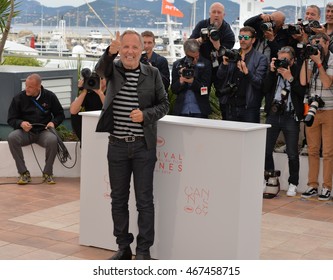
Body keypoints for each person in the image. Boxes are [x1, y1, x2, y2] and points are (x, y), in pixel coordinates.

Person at [95, 30, 169, 260]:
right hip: (116, 145)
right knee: (118, 199)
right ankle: (124, 247)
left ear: (142, 49)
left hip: (143, 147)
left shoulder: (153, 73)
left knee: (144, 201)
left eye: (134, 47)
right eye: (125, 47)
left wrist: (145, 115)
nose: (129, 51)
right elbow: (99, 71)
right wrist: (109, 52)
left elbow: (165, 104)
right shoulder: (113, 68)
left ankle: (144, 250)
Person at [263, 46, 306, 197]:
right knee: (266, 151)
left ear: (293, 61)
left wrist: (290, 78)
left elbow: (302, 92)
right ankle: (271, 179)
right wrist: (271, 71)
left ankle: (293, 183)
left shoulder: (298, 70)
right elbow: (264, 88)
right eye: (280, 59)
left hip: (290, 115)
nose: (282, 63)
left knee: (292, 153)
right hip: (273, 115)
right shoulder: (274, 72)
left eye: (285, 60)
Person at [7, 73, 65, 185]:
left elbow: (60, 114)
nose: (26, 89)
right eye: (26, 85)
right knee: (12, 138)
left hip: (43, 132)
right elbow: (11, 119)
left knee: (53, 140)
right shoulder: (19, 98)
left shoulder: (50, 96)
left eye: (30, 87)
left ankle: (47, 173)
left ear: (39, 87)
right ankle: (23, 173)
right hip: (25, 132)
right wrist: (21, 123)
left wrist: (53, 122)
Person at [300, 33, 333, 201]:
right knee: (312, 150)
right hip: (312, 107)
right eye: (314, 43)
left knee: (327, 152)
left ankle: (327, 187)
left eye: (319, 43)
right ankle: (312, 185)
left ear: (327, 43)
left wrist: (319, 63)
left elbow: (327, 83)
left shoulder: (332, 60)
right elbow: (303, 81)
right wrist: (306, 59)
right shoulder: (311, 59)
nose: (317, 46)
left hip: (329, 110)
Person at [216, 26, 268, 123]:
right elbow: (220, 76)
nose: (242, 40)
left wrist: (247, 72)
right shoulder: (232, 54)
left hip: (249, 107)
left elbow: (259, 83)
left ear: (253, 40)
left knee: (250, 137)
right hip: (230, 105)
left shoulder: (260, 58)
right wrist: (224, 65)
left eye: (246, 38)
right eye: (240, 37)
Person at [189, 2, 235, 97]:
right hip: (202, 65)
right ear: (210, 14)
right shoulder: (202, 25)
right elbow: (189, 44)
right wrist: (201, 39)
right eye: (214, 12)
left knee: (222, 95)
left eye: (219, 12)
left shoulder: (228, 32)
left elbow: (227, 53)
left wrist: (217, 45)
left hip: (219, 67)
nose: (216, 15)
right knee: (201, 94)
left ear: (224, 15)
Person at [171, 39, 212, 118]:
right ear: (186, 53)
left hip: (200, 110)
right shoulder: (177, 65)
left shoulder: (206, 64)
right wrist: (181, 80)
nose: (195, 60)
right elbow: (174, 90)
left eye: (197, 56)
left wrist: (192, 82)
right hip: (182, 110)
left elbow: (205, 90)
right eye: (192, 58)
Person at [70, 77, 106, 142]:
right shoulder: (89, 93)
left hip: (106, 122)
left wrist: (100, 93)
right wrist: (84, 90)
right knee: (75, 115)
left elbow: (110, 108)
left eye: (102, 78)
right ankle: (84, 140)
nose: (99, 80)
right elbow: (73, 110)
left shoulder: (111, 91)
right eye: (98, 78)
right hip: (90, 123)